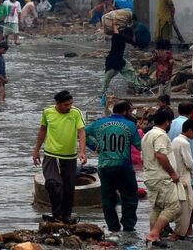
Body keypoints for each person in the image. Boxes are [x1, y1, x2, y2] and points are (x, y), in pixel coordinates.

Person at [85, 101, 141, 232]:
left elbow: (81, 133)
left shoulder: (99, 123)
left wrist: (94, 146)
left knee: (108, 198)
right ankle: (128, 226)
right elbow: (139, 145)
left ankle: (113, 227)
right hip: (123, 166)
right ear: (125, 111)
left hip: (104, 166)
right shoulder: (130, 125)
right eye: (130, 111)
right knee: (130, 197)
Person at [33, 90, 87, 224]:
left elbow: (81, 132)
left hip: (69, 156)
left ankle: (66, 216)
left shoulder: (75, 113)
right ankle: (56, 214)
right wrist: (36, 151)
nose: (69, 107)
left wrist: (82, 152)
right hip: (51, 154)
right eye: (66, 105)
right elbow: (42, 130)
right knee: (53, 183)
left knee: (69, 187)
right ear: (57, 104)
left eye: (70, 104)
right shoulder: (47, 112)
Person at [141, 110, 180, 247]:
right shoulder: (160, 135)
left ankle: (154, 235)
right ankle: (154, 234)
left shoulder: (148, 134)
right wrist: (173, 173)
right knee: (173, 206)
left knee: (157, 207)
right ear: (167, 122)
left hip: (150, 176)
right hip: (161, 177)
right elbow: (161, 155)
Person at [168, 102, 193, 236]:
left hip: (172, 171)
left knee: (176, 203)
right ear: (192, 112)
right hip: (186, 174)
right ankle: (186, 230)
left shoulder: (170, 124)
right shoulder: (190, 127)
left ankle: (170, 229)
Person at [170, 119, 193, 241]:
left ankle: (178, 233)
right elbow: (189, 163)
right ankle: (178, 234)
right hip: (184, 178)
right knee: (186, 209)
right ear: (189, 131)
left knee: (183, 208)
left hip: (178, 177)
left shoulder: (175, 141)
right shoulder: (184, 143)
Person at [101, 25, 142, 94]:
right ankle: (104, 91)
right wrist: (114, 23)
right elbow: (116, 31)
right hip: (112, 62)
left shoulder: (123, 38)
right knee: (107, 78)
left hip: (120, 61)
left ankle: (137, 87)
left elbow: (133, 40)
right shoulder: (117, 37)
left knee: (131, 71)